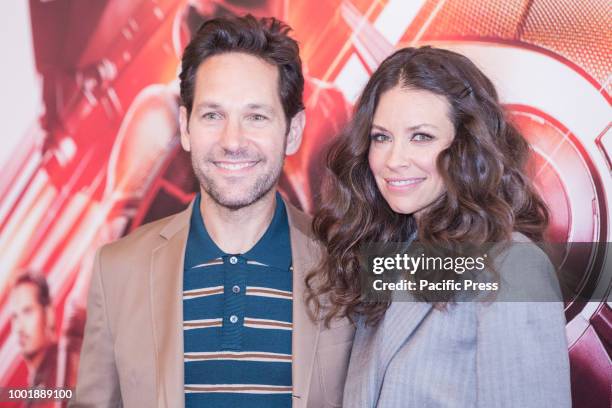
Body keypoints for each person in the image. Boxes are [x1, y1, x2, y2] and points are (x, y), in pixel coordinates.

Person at [71, 15, 354, 408]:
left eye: (256, 116)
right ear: (186, 127)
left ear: (292, 131)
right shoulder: (116, 270)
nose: (232, 141)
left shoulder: (348, 268)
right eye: (212, 115)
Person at [308, 46, 571, 407]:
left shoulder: (512, 266)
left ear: (467, 148)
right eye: (381, 137)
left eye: (421, 137)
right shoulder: (383, 262)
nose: (394, 160)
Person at [9, 273, 58, 391]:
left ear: (49, 314)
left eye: (27, 312)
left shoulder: (68, 368)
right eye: (15, 316)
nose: (19, 327)